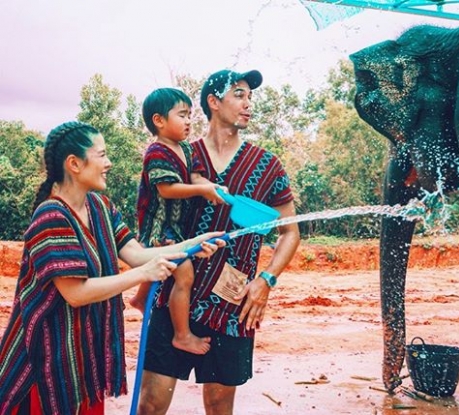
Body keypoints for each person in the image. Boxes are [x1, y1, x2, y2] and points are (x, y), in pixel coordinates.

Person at [0, 121, 225, 415]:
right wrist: (143, 275)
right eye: (102, 155)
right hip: (46, 363)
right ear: (74, 164)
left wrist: (192, 245)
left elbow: (135, 254)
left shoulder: (100, 206)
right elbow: (76, 293)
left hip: (83, 361)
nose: (108, 163)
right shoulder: (52, 216)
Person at [137, 69, 301, 415]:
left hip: (233, 301)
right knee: (152, 402)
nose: (248, 104)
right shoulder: (181, 156)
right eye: (239, 95)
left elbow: (290, 231)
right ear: (214, 102)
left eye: (250, 97)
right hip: (173, 298)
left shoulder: (268, 165)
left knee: (218, 403)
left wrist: (266, 280)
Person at [130, 87, 225, 355]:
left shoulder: (185, 148)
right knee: (184, 275)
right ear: (159, 120)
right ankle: (181, 335)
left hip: (177, 227)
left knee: (158, 266)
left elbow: (195, 178)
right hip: (159, 227)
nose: (188, 121)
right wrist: (202, 191)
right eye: (182, 115)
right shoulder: (157, 152)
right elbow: (167, 189)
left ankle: (139, 298)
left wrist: (212, 187)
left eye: (190, 115)